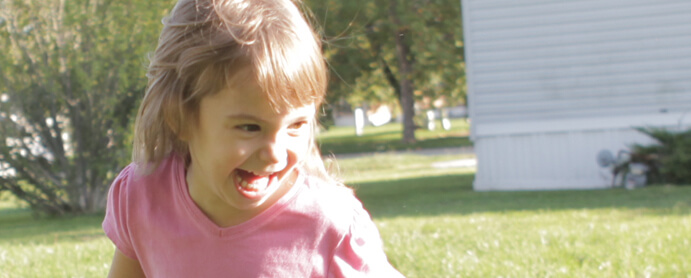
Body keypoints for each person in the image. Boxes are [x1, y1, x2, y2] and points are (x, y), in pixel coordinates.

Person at [102, 0, 405, 277]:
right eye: (250, 128)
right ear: (180, 117)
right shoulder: (142, 198)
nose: (275, 153)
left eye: (296, 126)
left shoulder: (327, 221)